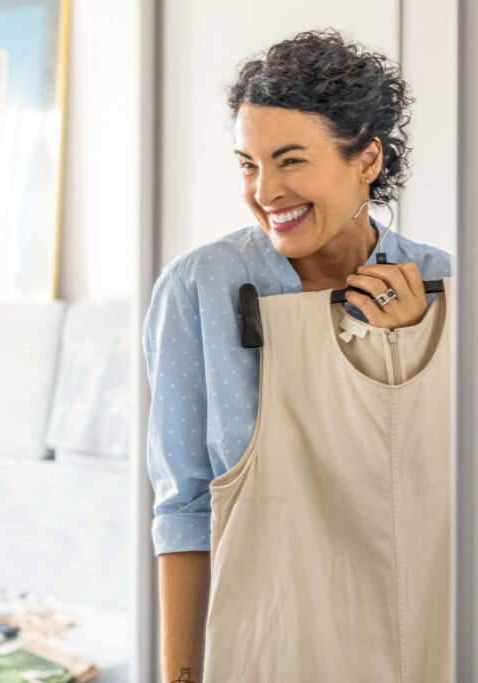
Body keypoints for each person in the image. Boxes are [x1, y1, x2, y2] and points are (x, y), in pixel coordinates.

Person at [142, 29, 452, 683]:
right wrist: (178, 676)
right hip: (269, 644)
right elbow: (185, 508)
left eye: (290, 160)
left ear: (366, 159)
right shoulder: (200, 289)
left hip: (425, 641)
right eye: (248, 164)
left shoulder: (447, 290)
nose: (265, 190)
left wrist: (413, 354)